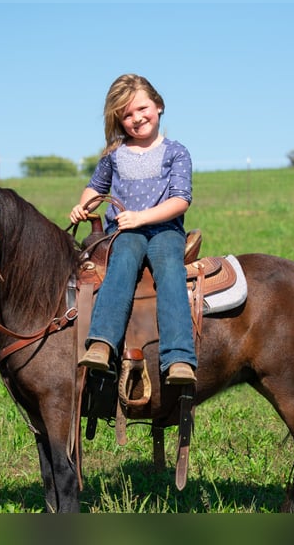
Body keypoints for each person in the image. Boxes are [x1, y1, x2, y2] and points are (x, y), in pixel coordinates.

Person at [69, 74, 197, 385]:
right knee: (122, 262)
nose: (137, 119)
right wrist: (83, 205)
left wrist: (141, 217)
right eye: (127, 115)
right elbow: (96, 188)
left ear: (159, 105)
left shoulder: (176, 152)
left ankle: (179, 357)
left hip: (165, 230)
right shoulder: (114, 154)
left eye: (142, 108)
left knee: (170, 270)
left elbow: (181, 200)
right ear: (119, 120)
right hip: (125, 233)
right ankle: (101, 343)